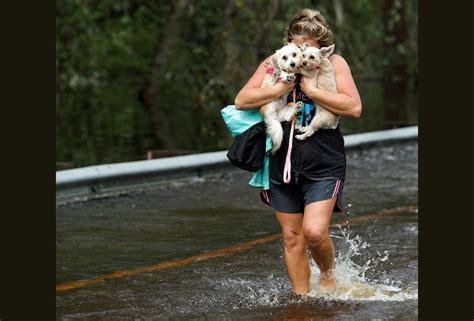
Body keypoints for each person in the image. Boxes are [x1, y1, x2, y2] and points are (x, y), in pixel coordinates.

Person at [234, 8, 362, 295]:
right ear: (288, 42)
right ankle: (301, 302)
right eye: (298, 45)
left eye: (309, 47)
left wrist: (313, 92)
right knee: (292, 237)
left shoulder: (334, 63)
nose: (302, 53)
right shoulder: (274, 63)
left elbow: (353, 107)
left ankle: (328, 274)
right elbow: (242, 100)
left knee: (314, 232)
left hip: (324, 162)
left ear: (321, 45)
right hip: (281, 163)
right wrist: (281, 85)